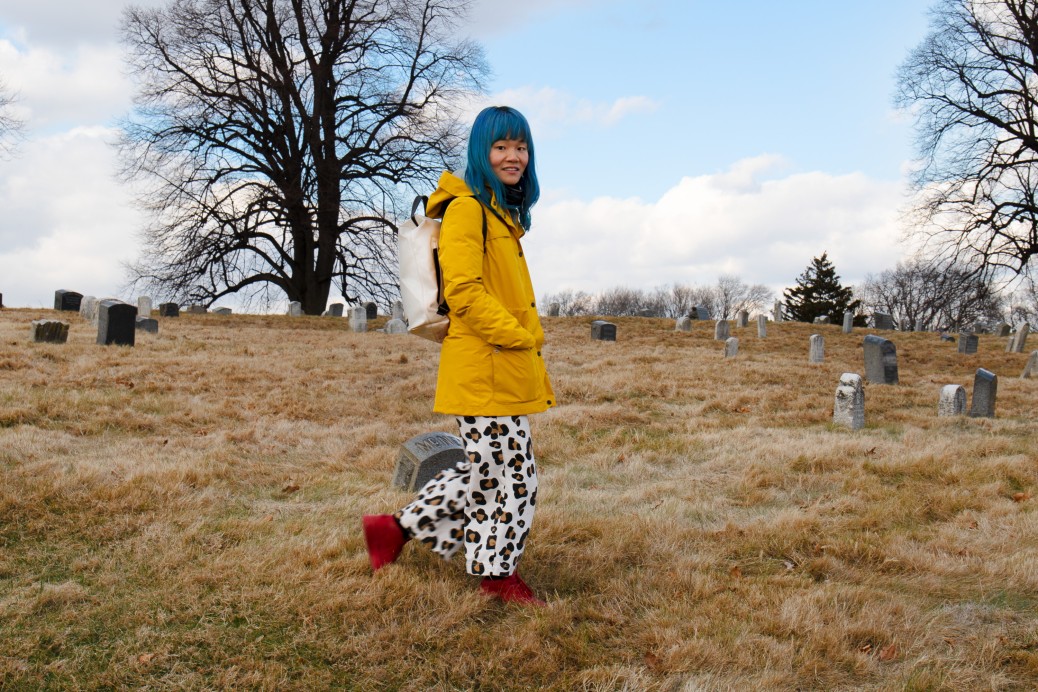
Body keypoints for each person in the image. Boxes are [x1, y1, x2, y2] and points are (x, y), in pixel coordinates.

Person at [362, 106, 555, 605]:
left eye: (521, 147)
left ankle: (392, 530)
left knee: (486, 471)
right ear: (481, 152)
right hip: (484, 367)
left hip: (498, 367)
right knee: (514, 479)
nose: (513, 157)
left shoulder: (498, 213)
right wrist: (520, 336)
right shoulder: (469, 209)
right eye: (501, 147)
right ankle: (496, 575)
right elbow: (465, 293)